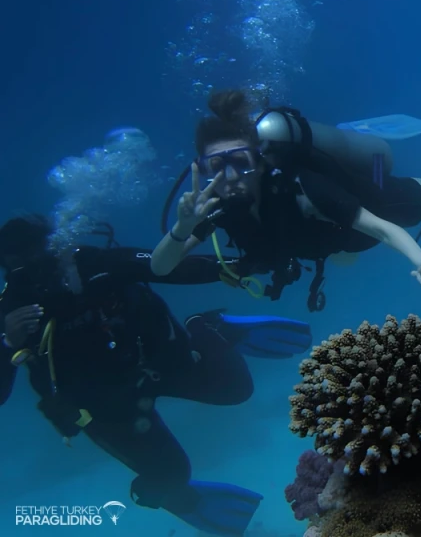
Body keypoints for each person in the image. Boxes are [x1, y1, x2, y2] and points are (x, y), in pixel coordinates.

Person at [0, 215, 313, 537]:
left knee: (236, 388)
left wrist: (242, 266)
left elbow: (165, 267)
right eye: (17, 261)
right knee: (171, 477)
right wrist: (8, 341)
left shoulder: (94, 264)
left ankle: (205, 326)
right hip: (105, 409)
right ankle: (175, 494)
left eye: (38, 252)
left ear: (57, 245)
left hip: (155, 366)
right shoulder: (10, 310)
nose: (33, 266)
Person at [150, 57, 421, 307]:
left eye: (240, 162)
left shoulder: (302, 186)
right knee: (344, 256)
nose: (228, 177)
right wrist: (183, 228)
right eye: (215, 166)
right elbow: (160, 267)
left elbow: (382, 229)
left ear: (259, 159)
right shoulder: (213, 207)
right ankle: (349, 139)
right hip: (334, 240)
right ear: (202, 169)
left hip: (370, 199)